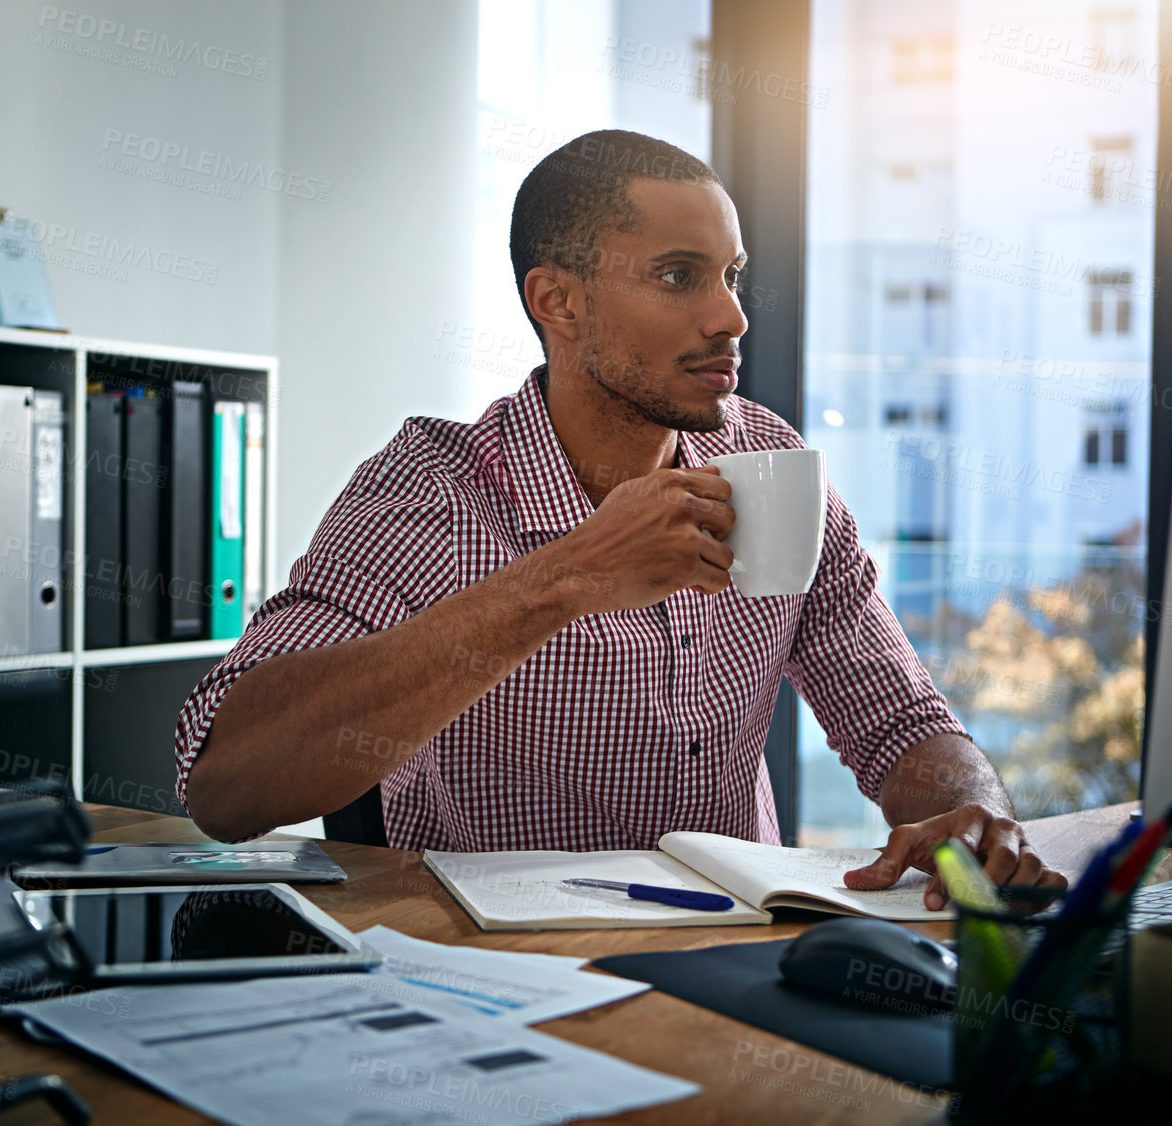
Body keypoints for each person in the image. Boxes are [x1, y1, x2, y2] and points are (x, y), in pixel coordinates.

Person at [175, 129, 1066, 910]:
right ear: (557, 302)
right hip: (501, 979)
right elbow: (225, 783)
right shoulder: (432, 489)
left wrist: (973, 809)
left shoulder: (769, 463)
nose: (731, 316)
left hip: (733, 954)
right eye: (679, 277)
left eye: (730, 277)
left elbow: (898, 718)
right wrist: (562, 578)